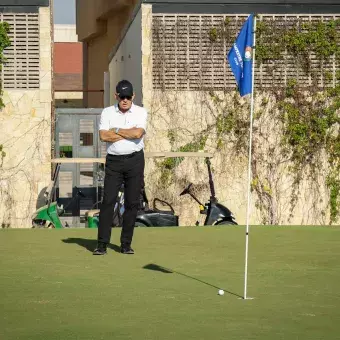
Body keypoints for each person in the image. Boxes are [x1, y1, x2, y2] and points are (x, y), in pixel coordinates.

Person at [93, 80, 148, 255]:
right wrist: (127, 132)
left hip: (135, 161)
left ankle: (126, 244)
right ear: (116, 96)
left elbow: (138, 133)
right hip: (114, 162)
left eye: (127, 97)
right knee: (108, 201)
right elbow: (103, 136)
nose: (124, 100)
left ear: (133, 96)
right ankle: (102, 244)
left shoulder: (141, 112)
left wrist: (115, 130)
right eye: (121, 96)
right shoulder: (107, 112)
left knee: (132, 203)